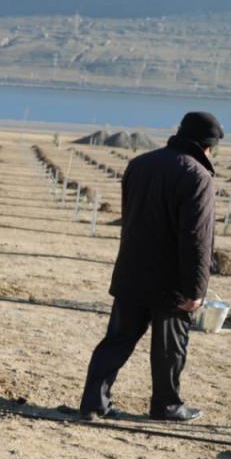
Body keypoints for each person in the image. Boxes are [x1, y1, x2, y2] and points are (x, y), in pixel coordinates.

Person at [79, 111, 222, 422]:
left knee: (116, 341)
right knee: (170, 349)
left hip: (131, 273)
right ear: (208, 146)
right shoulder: (198, 177)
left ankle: (93, 403)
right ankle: (166, 406)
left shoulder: (139, 164)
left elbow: (130, 217)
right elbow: (198, 239)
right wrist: (196, 290)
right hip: (171, 283)